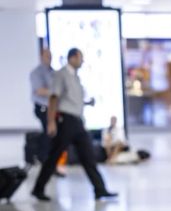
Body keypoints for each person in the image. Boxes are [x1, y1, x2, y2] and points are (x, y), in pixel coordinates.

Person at [31, 48, 117, 202]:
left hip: (77, 121)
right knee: (54, 156)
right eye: (80, 58)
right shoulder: (61, 75)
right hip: (65, 121)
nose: (82, 61)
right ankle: (38, 189)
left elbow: (71, 99)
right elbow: (53, 98)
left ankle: (100, 189)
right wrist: (51, 121)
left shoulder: (75, 78)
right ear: (72, 58)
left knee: (88, 155)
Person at [29, 48, 55, 169]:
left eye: (50, 56)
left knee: (53, 133)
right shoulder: (36, 73)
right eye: (46, 56)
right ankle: (43, 158)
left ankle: (49, 158)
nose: (49, 58)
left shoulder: (53, 73)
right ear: (41, 57)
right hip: (42, 107)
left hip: (53, 108)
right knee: (47, 130)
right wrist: (55, 92)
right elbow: (40, 91)